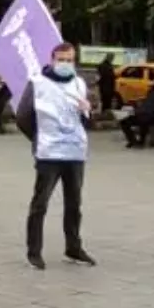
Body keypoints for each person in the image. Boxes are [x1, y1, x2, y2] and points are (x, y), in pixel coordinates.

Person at [15, 43, 97, 270]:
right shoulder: (38, 83)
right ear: (52, 60)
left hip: (74, 152)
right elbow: (22, 116)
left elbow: (87, 120)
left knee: (74, 203)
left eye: (70, 60)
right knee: (40, 203)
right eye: (61, 59)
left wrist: (87, 110)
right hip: (49, 153)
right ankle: (34, 251)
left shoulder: (79, 83)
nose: (65, 64)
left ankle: (73, 247)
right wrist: (38, 137)